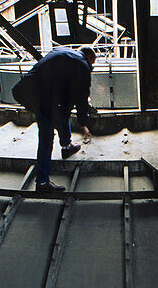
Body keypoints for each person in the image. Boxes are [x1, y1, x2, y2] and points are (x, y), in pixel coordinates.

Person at [12, 45, 96, 192]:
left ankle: (66, 146)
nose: (92, 66)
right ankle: (42, 182)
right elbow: (81, 99)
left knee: (62, 110)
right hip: (43, 99)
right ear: (89, 57)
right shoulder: (83, 65)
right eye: (92, 63)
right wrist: (84, 124)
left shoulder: (62, 51)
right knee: (46, 136)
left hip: (27, 91)